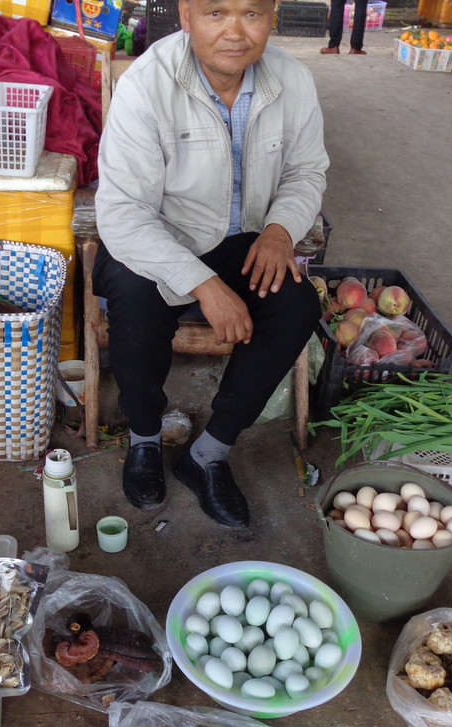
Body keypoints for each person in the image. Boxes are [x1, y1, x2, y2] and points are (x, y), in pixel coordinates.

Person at [94, 0, 329, 529]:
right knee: (134, 301)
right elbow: (123, 212)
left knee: (294, 305)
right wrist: (202, 284)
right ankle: (145, 438)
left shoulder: (292, 81)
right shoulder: (146, 85)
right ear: (185, 17)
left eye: (251, 13)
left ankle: (210, 454)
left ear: (273, 17)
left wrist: (279, 231)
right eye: (215, 12)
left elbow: (307, 171)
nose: (235, 32)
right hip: (156, 237)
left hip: (244, 237)